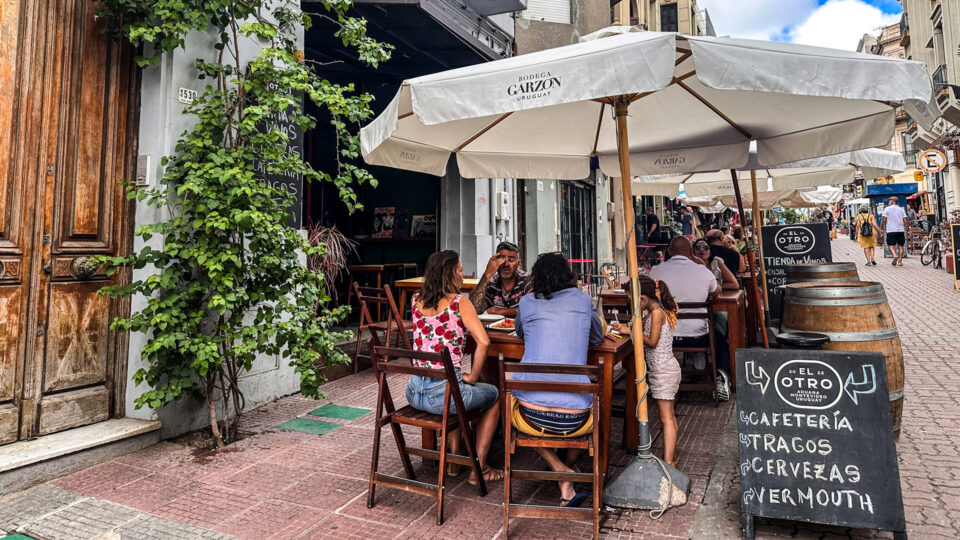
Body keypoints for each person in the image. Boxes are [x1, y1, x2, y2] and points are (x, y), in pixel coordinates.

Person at [511, 252, 604, 507]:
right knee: (594, 401)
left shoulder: (527, 302)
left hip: (530, 416)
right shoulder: (583, 301)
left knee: (507, 404)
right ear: (568, 275)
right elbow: (597, 337)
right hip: (578, 419)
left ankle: (561, 470)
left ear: (536, 277)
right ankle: (567, 470)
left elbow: (519, 331)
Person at [406, 250, 503, 485]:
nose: (462, 274)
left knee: (455, 390)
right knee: (494, 395)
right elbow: (484, 341)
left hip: (414, 392)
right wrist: (473, 375)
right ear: (450, 274)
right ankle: (480, 468)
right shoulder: (460, 302)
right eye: (459, 270)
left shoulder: (416, 300)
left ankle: (454, 458)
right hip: (443, 397)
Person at [610, 277, 681, 467]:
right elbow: (640, 330)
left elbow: (652, 341)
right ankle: (671, 458)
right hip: (661, 369)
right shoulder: (650, 312)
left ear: (642, 298)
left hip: (664, 370)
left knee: (666, 417)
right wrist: (626, 328)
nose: (630, 305)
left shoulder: (657, 313)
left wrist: (631, 332)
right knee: (668, 416)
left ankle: (668, 462)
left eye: (631, 301)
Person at [651, 237, 731, 401]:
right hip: (698, 338)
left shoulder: (655, 271)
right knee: (721, 339)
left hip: (664, 338)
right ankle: (721, 378)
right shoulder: (703, 271)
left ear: (669, 251)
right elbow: (717, 292)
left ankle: (649, 378)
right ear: (691, 253)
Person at [469, 241, 533, 317]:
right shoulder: (492, 283)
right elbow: (474, 308)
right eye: (502, 259)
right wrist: (487, 274)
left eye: (511, 260)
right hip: (493, 328)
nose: (506, 264)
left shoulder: (527, 280)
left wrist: (499, 311)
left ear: (518, 263)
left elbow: (533, 309)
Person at [881, 197, 909, 266]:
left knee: (891, 246)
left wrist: (881, 228)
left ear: (893, 201)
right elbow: (905, 220)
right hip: (901, 230)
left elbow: (884, 220)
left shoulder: (887, 209)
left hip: (890, 230)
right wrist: (907, 229)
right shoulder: (901, 209)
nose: (889, 201)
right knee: (901, 246)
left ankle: (894, 255)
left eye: (890, 200)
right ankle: (900, 262)